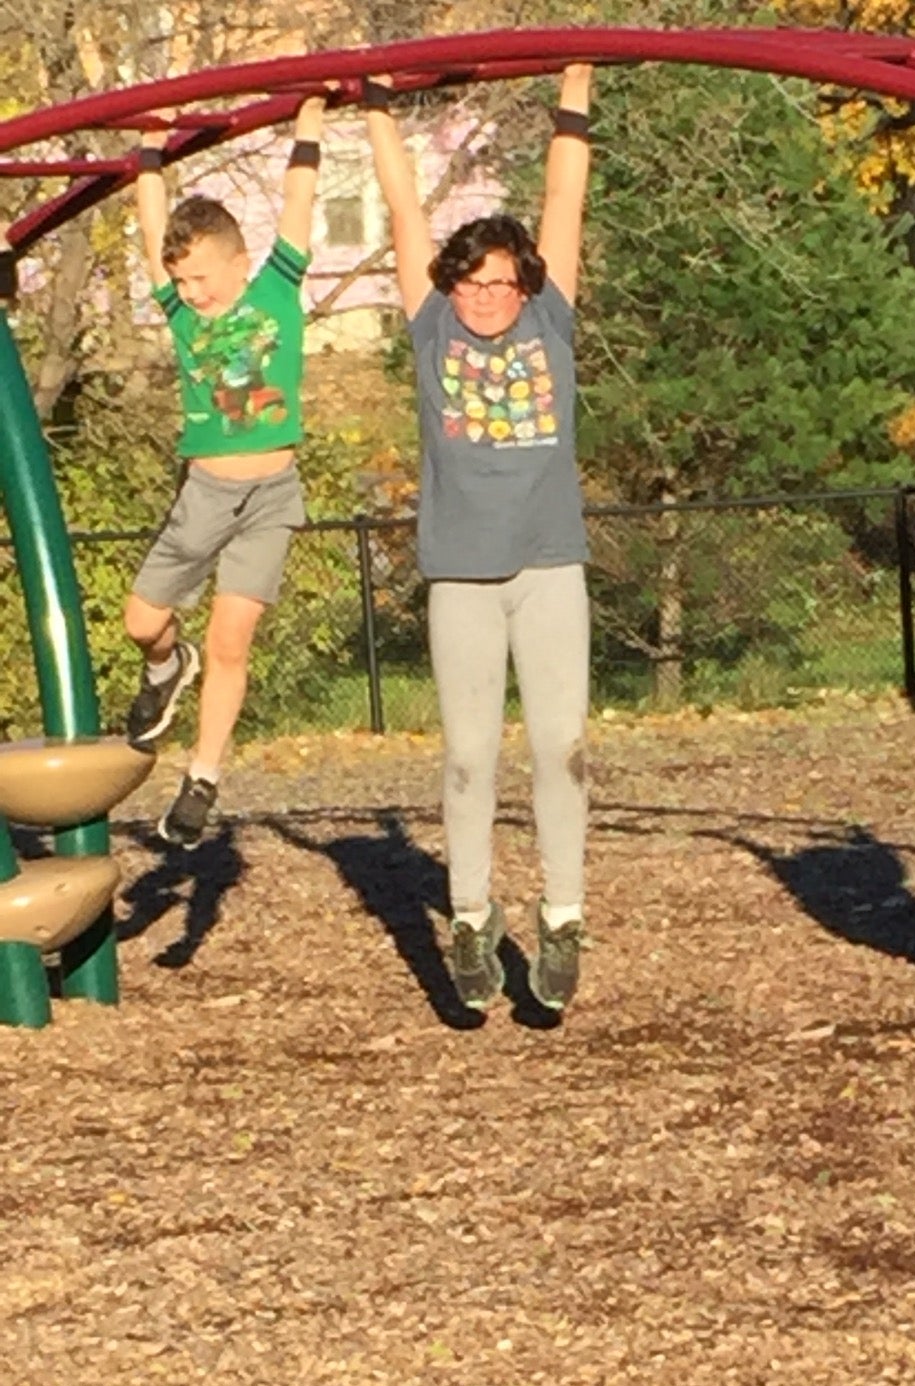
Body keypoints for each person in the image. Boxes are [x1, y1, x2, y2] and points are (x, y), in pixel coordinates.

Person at [362, 65, 594, 1015]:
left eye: (504, 281)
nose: (490, 296)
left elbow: (564, 192)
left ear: (526, 285)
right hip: (460, 570)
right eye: (473, 281)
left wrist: (575, 80)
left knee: (561, 747)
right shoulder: (431, 331)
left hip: (548, 564)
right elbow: (402, 205)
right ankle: (469, 917)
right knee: (467, 756)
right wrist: (373, 102)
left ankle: (565, 918)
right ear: (450, 286)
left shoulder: (551, 317)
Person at [122, 98, 326, 848]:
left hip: (272, 495)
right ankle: (166, 666)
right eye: (185, 281)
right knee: (141, 620)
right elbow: (152, 232)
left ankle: (202, 777)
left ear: (239, 262)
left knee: (233, 639)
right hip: (206, 491)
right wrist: (149, 150)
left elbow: (299, 199)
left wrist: (309, 122)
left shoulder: (276, 286)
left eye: (204, 278)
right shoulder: (183, 318)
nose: (195, 293)